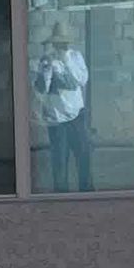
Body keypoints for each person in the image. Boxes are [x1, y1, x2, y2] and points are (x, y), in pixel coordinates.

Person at [32, 23, 91, 192]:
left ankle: (88, 194)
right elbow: (42, 88)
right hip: (57, 119)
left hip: (77, 115)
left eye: (64, 43)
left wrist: (65, 60)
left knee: (84, 156)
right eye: (59, 43)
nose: (62, 46)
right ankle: (61, 198)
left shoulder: (75, 57)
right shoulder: (47, 60)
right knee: (59, 162)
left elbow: (82, 80)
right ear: (54, 43)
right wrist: (45, 69)